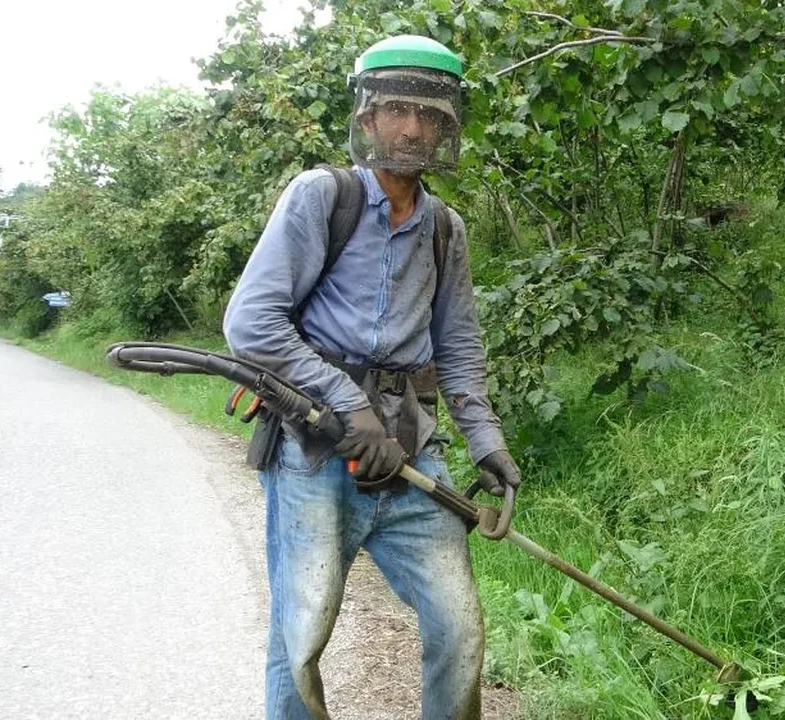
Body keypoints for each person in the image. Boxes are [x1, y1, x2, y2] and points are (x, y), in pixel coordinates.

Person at [223, 34, 520, 720]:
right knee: (301, 635)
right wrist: (347, 406)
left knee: (459, 624)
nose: (412, 127)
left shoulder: (446, 230)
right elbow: (251, 324)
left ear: (448, 127)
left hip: (413, 455)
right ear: (366, 119)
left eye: (429, 114)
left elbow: (460, 350)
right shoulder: (320, 197)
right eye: (395, 110)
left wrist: (486, 443)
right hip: (313, 451)